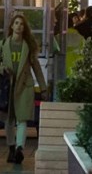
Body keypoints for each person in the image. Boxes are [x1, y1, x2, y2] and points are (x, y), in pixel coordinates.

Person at [2, 14, 46, 164]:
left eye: (21, 24)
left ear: (24, 28)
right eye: (16, 23)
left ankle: (20, 148)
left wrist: (43, 88)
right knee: (9, 120)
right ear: (12, 26)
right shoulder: (3, 45)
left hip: (24, 87)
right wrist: (2, 68)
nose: (19, 26)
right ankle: (11, 148)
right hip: (8, 87)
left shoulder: (28, 46)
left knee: (22, 119)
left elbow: (37, 68)